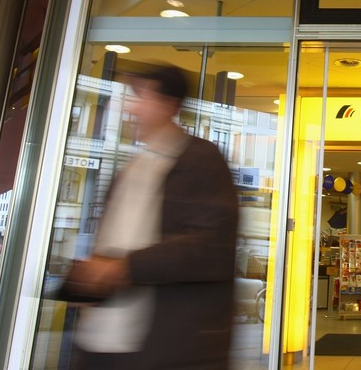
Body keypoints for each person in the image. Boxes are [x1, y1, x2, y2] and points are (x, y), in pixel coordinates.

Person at [63, 65, 239, 370]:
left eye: (141, 96)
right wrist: (89, 281)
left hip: (167, 347)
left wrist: (123, 267)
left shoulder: (202, 161)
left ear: (169, 104)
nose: (131, 107)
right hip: (103, 341)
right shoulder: (130, 169)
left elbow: (210, 246)